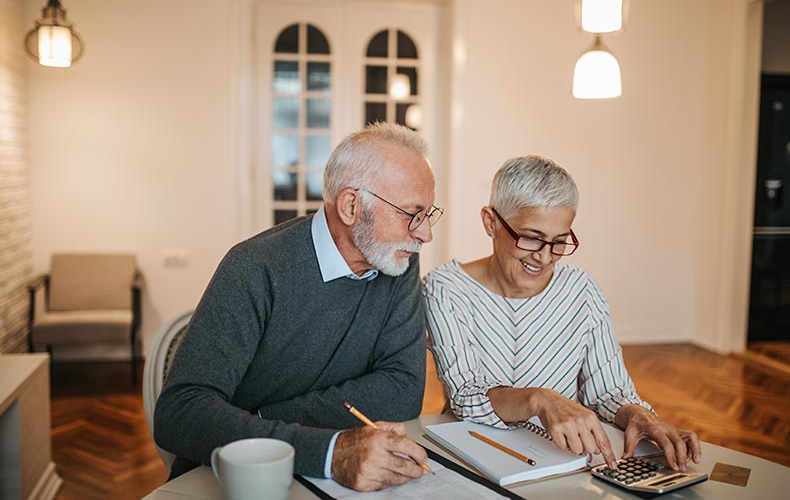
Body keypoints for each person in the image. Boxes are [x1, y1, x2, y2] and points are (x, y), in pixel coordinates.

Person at [154, 122, 444, 491]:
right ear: (351, 205)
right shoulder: (255, 267)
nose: (425, 234)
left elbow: (401, 392)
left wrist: (259, 420)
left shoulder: (397, 261)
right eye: (411, 214)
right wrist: (327, 450)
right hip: (236, 480)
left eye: (428, 214)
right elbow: (180, 413)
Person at [423, 155, 701, 472]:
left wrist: (638, 414)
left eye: (558, 242)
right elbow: (465, 396)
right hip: (475, 457)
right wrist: (539, 400)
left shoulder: (581, 290)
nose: (544, 257)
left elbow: (609, 391)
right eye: (531, 237)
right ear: (491, 222)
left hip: (564, 460)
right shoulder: (446, 288)